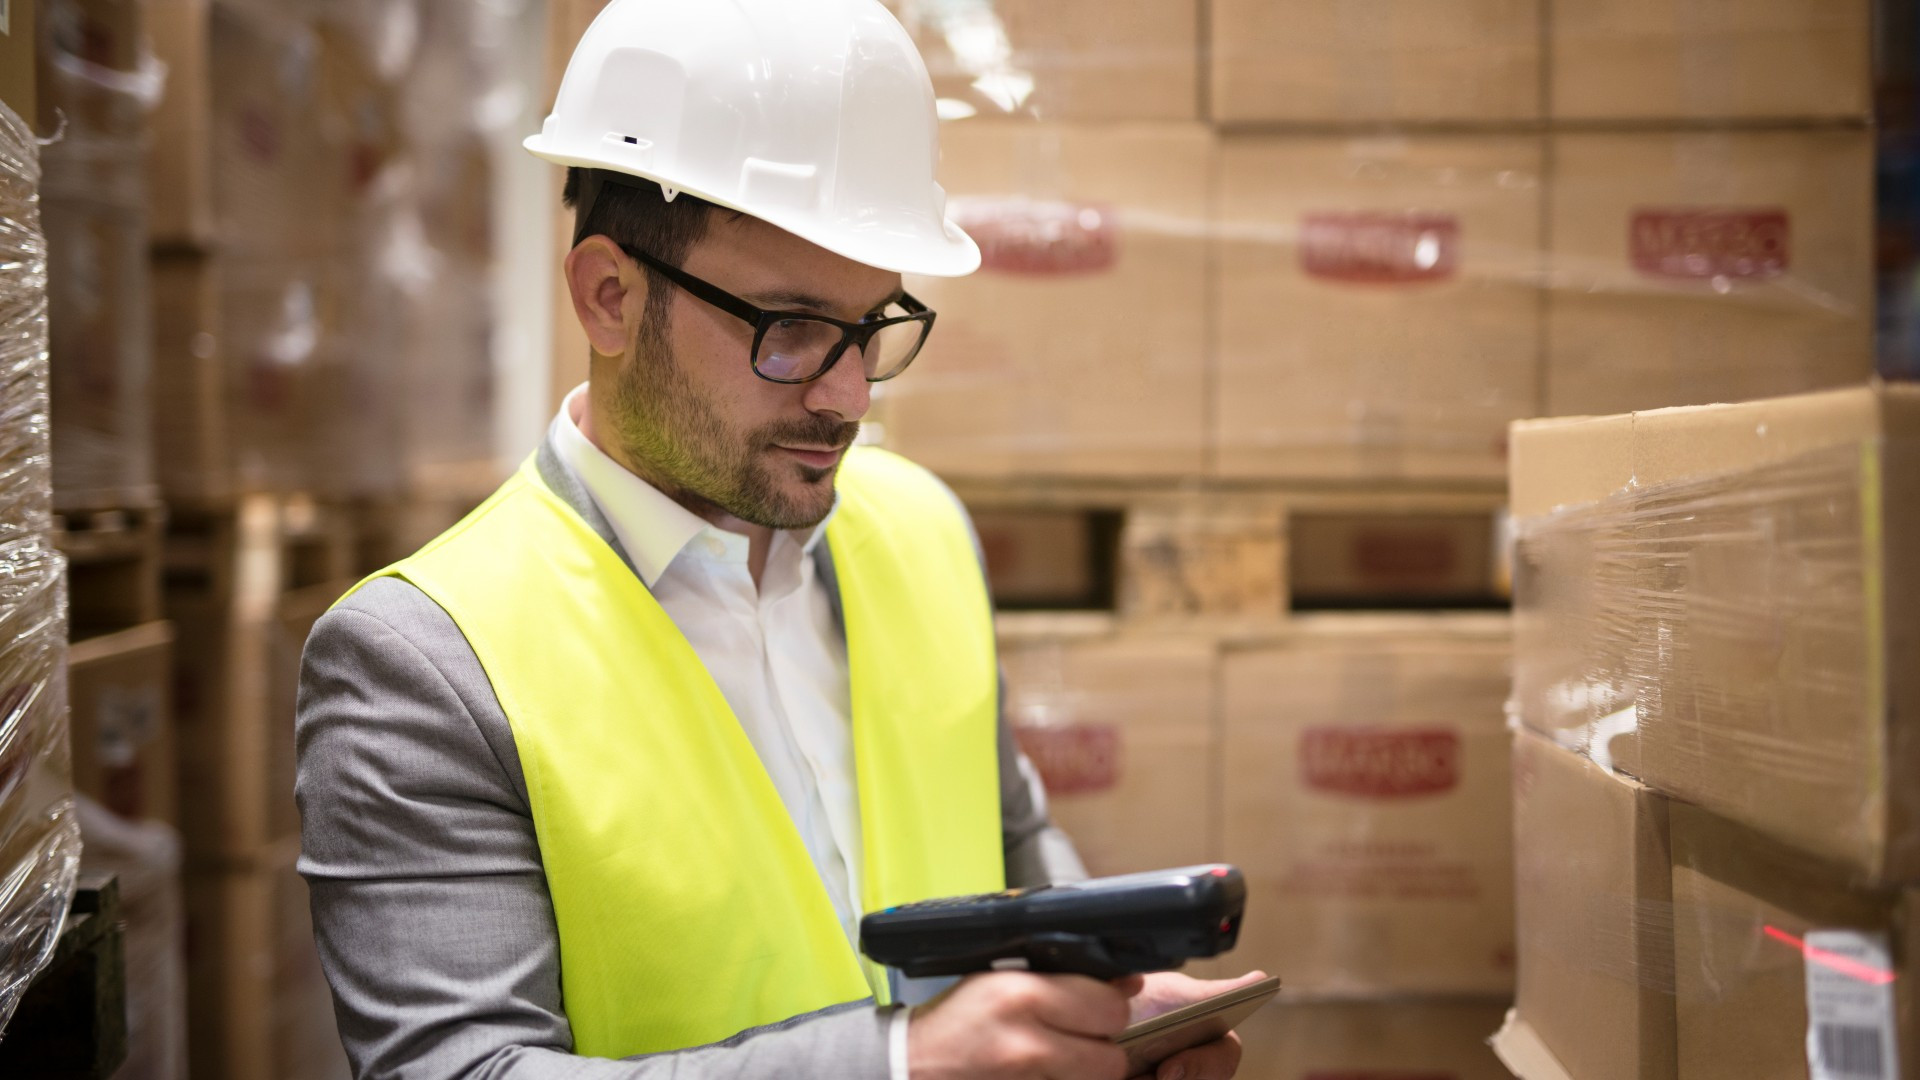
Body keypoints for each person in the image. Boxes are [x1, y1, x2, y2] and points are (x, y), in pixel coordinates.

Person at [294, 1, 1264, 1077]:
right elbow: (460, 1070)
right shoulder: (422, 665)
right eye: (790, 328)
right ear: (609, 296)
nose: (846, 395)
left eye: (873, 326)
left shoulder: (920, 532)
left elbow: (1016, 859)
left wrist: (1101, 1016)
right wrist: (902, 1066)